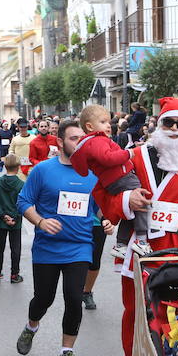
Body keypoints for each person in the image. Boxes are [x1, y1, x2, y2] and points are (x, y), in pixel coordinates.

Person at [93, 96, 178, 356]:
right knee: (136, 315)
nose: (175, 130)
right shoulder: (132, 158)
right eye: (169, 123)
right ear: (158, 125)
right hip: (139, 254)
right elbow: (101, 195)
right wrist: (125, 201)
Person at [15, 121, 114, 356]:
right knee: (43, 299)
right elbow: (23, 201)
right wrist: (40, 221)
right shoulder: (43, 171)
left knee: (73, 298)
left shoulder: (93, 173)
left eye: (82, 138)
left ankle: (66, 352)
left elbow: (101, 204)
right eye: (73, 138)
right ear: (59, 142)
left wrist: (107, 219)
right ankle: (31, 326)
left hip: (79, 246)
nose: (78, 143)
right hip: (47, 248)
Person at [70, 104, 150, 257]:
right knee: (141, 202)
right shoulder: (97, 141)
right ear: (89, 126)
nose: (108, 125)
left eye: (108, 121)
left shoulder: (88, 143)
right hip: (122, 177)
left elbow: (83, 169)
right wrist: (129, 153)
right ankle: (141, 240)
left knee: (130, 209)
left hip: (115, 180)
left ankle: (121, 244)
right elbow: (108, 158)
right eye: (103, 122)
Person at [0, 153, 25, 284]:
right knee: (15, 248)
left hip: (1, 220)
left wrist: (3, 215)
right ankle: (14, 274)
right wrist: (15, 217)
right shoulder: (21, 184)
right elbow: (22, 203)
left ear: (5, 166)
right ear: (18, 166)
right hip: (15, 221)